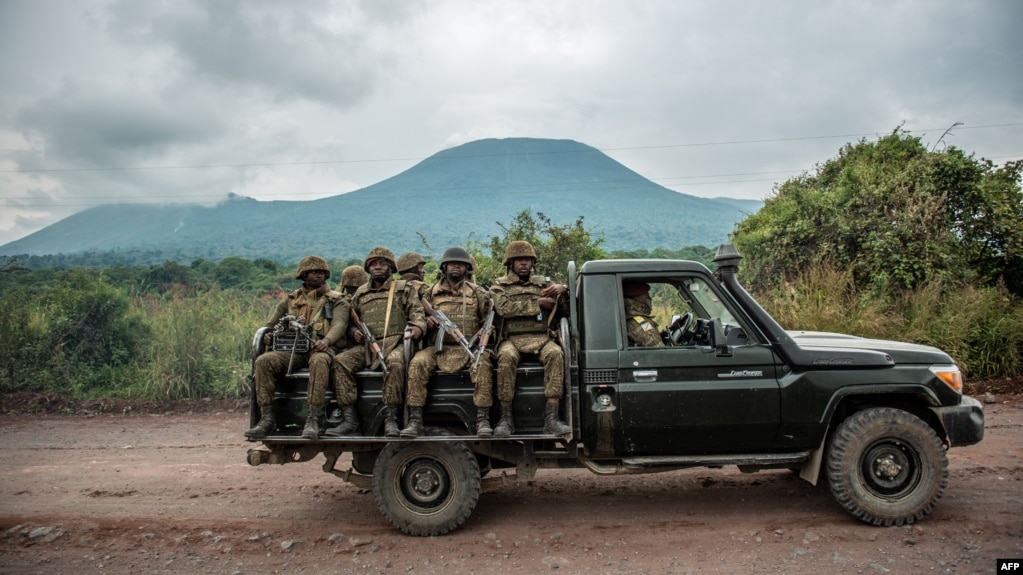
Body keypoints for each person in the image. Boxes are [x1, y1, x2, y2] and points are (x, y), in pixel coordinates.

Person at [245, 256, 349, 440]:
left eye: (321, 272)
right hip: (292, 351)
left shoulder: (335, 300)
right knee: (263, 361)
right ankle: (267, 418)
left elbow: (339, 326)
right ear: (304, 275)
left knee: (319, 361)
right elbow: (271, 324)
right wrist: (269, 336)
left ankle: (313, 419)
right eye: (313, 272)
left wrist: (326, 341)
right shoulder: (290, 301)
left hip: (320, 350)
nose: (318, 275)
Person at [326, 247, 426, 437]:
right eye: (373, 265)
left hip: (396, 342)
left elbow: (417, 313)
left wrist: (418, 328)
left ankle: (391, 418)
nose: (378, 268)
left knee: (395, 364)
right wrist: (354, 332)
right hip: (367, 347)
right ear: (368, 268)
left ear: (390, 267)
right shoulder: (361, 293)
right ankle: (349, 419)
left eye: (382, 264)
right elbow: (348, 322)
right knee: (340, 362)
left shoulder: (404, 289)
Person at [403, 247, 494, 438]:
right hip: (439, 348)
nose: (456, 267)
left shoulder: (477, 293)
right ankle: (415, 420)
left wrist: (483, 332)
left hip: (469, 346)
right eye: (452, 263)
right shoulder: (429, 293)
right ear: (444, 267)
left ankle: (483, 419)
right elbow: (417, 318)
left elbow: (488, 320)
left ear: (467, 268)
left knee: (482, 362)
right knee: (417, 363)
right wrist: (428, 323)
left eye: (460, 264)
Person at [489, 240, 571, 437]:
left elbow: (565, 310)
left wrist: (564, 290)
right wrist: (538, 303)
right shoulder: (500, 286)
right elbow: (504, 308)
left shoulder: (544, 284)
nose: (523, 263)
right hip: (513, 339)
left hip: (541, 337)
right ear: (511, 263)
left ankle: (551, 419)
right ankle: (506, 419)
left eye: (527, 260)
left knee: (556, 354)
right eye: (519, 260)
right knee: (506, 358)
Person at [623, 281, 667, 347]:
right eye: (646, 297)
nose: (650, 299)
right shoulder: (641, 322)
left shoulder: (632, 317)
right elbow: (658, 349)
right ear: (635, 299)